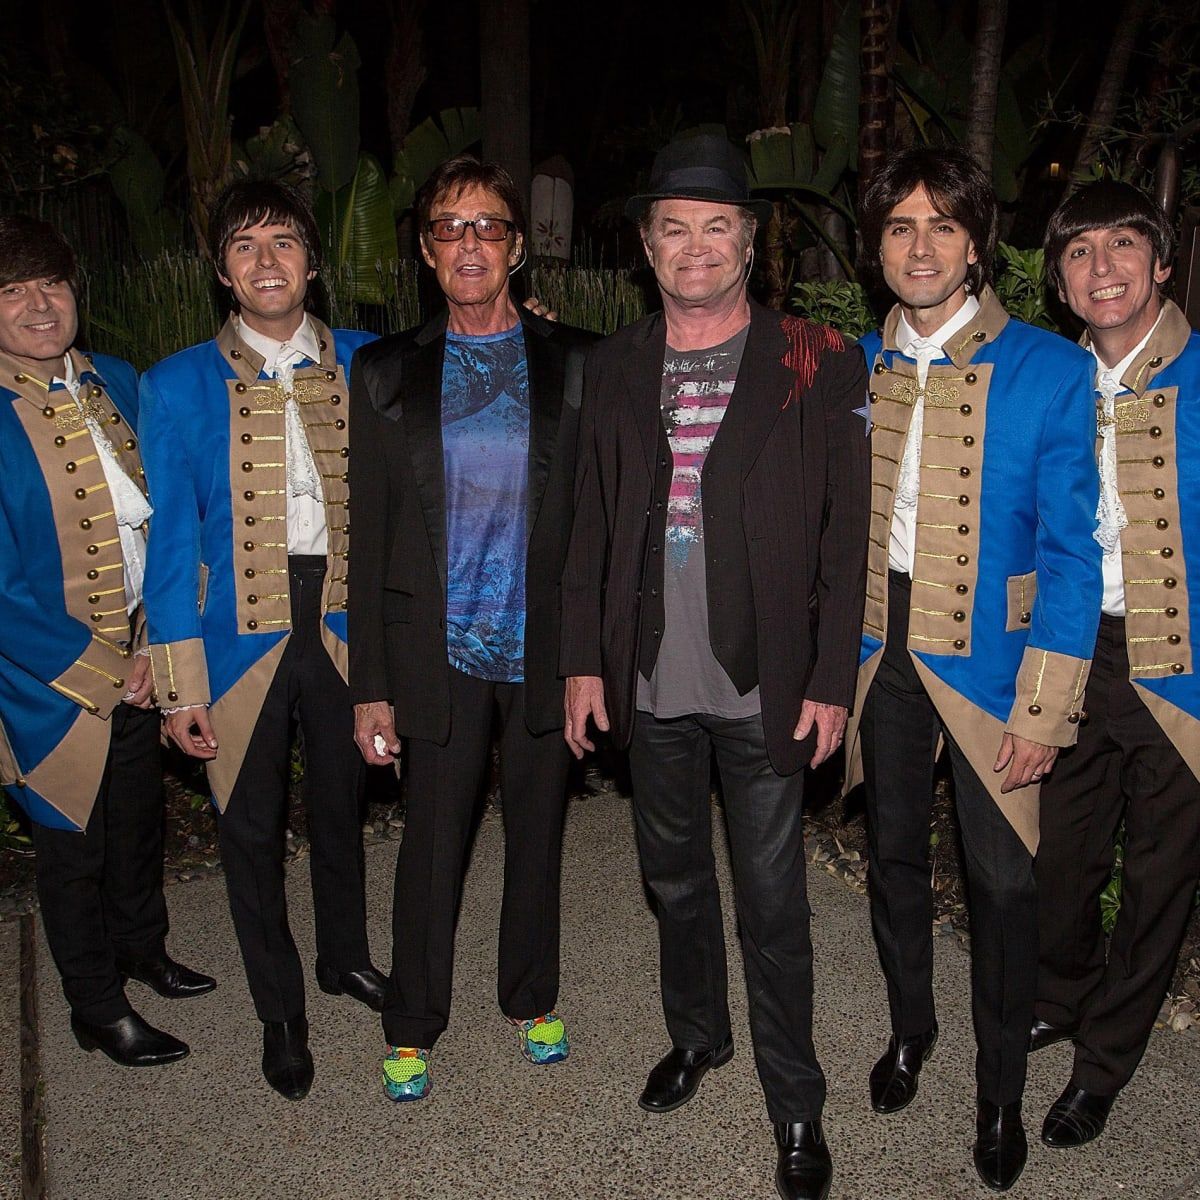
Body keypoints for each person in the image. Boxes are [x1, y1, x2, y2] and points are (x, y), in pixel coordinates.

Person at [561, 133, 870, 1200]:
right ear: (648, 248)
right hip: (649, 679)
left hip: (764, 680)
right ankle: (699, 1038)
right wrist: (581, 667)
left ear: (751, 241)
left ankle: (796, 1104)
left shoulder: (817, 361)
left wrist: (833, 678)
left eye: (719, 228)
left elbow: (845, 539)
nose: (697, 248)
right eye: (675, 229)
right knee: (674, 882)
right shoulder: (612, 365)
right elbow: (590, 524)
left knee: (774, 905)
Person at [847, 146, 1102, 1191]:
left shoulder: (1050, 367)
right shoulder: (852, 361)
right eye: (901, 226)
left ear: (976, 243)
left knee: (1001, 885)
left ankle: (1000, 1088)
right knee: (894, 857)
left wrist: (1045, 709)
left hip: (996, 661)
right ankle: (913, 1029)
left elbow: (1074, 554)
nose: (921, 246)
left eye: (943, 226)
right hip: (880, 650)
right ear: (878, 247)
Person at [349, 156, 595, 1102]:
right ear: (423, 248)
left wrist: (589, 659)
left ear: (518, 246)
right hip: (433, 652)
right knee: (431, 843)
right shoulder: (384, 372)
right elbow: (366, 538)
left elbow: (599, 519)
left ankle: (531, 995)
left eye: (488, 226)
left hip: (540, 651)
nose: (469, 243)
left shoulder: (575, 361)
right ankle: (413, 1019)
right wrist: (371, 681)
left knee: (539, 835)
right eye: (449, 227)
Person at [138, 181, 384, 1101]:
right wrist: (178, 683)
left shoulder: (371, 361)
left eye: (282, 241)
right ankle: (280, 1011)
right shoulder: (173, 384)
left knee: (341, 802)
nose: (266, 261)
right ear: (220, 272)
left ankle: (345, 958)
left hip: (345, 611)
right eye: (244, 247)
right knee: (247, 827)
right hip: (235, 627)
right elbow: (168, 544)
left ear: (312, 262)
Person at [0, 215, 214, 1067]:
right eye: (11, 291)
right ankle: (96, 1005)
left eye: (50, 284)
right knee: (71, 847)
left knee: (136, 821)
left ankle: (143, 949)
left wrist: (164, 641)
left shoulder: (119, 380)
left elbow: (171, 520)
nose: (39, 305)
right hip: (50, 681)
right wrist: (103, 667)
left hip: (143, 651)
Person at [1031, 180, 1200, 1149]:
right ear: (1060, 280)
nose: (1104, 266)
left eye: (1124, 245)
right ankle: (1063, 990)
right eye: (1081, 250)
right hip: (1075, 652)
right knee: (1058, 859)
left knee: (1158, 880)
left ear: (1163, 264)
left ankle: (1104, 1064)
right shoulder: (1045, 380)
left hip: (1182, 663)